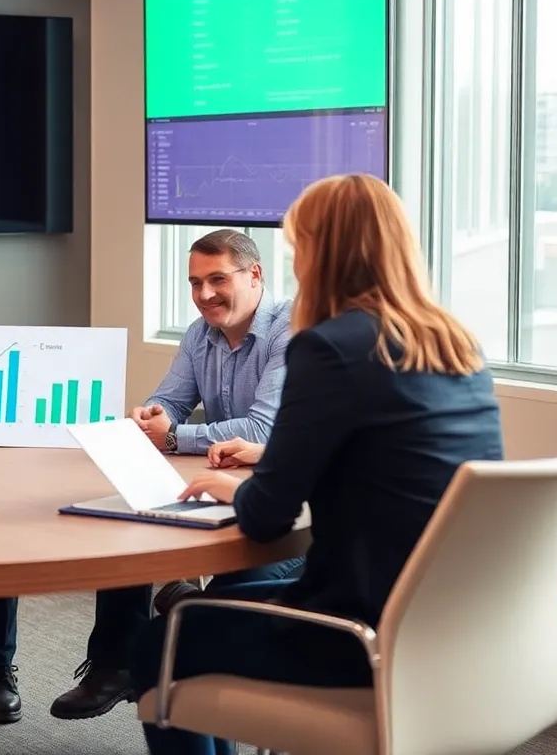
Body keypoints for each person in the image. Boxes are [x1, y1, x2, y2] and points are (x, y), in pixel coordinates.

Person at [133, 174, 504, 755]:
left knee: (159, 645)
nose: (296, 261)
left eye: (297, 245)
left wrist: (247, 490)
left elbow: (266, 520)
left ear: (323, 251)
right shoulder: (456, 343)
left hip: (357, 634)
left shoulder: (329, 345)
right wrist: (266, 470)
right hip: (453, 630)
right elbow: (386, 467)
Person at [48, 229, 302, 721]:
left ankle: (185, 623)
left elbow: (260, 428)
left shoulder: (291, 329)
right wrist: (152, 416)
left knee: (200, 629)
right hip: (222, 484)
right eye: (194, 282)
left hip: (286, 513)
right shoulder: (198, 333)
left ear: (255, 274)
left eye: (217, 279)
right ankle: (113, 664)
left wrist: (171, 437)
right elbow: (171, 400)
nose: (204, 294)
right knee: (127, 520)